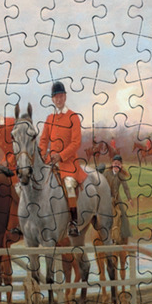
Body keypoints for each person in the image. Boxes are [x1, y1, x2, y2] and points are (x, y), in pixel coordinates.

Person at [39, 80, 87, 233]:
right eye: (55, 97)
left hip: (68, 163)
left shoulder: (73, 117)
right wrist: (41, 156)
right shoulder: (49, 118)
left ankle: (73, 222)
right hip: (49, 162)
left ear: (65, 97)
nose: (58, 100)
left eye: (61, 96)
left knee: (69, 185)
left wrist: (61, 156)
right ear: (52, 99)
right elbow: (43, 141)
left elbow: (76, 143)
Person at [101, 154, 133, 242]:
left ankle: (124, 234)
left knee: (122, 214)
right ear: (112, 164)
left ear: (121, 165)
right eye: (115, 163)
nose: (116, 165)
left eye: (119, 164)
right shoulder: (106, 173)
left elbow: (125, 187)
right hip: (106, 197)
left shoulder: (121, 175)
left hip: (116, 198)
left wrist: (129, 198)